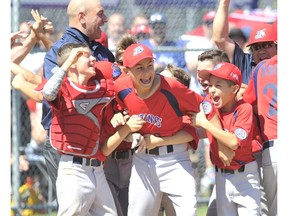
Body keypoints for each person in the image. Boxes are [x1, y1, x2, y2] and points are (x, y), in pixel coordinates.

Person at [113, 43, 208, 216]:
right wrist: (125, 126)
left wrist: (207, 124)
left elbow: (204, 106)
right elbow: (120, 112)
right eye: (139, 68)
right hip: (143, 160)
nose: (147, 72)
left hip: (175, 159)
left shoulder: (172, 87)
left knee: (187, 212)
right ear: (127, 71)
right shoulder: (121, 88)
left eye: (150, 65)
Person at [41, 0, 115, 204]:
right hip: (65, 145)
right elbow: (55, 94)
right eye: (100, 14)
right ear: (82, 17)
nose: (105, 19)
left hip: (97, 143)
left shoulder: (102, 52)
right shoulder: (59, 51)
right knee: (73, 208)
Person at [37, 42, 120, 215]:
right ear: (73, 62)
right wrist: (67, 62)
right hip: (73, 171)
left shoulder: (101, 86)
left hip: (98, 170)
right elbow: (48, 93)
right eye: (86, 56)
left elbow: (123, 84)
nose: (93, 59)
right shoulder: (64, 88)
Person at [191, 62, 261, 215]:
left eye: (218, 85)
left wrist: (205, 124)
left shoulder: (244, 109)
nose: (212, 90)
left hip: (246, 177)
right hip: (221, 177)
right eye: (210, 85)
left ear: (234, 89)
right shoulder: (210, 106)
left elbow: (233, 142)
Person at [212, 0, 277, 85]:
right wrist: (224, 2)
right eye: (256, 47)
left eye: (266, 45)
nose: (261, 51)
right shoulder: (246, 63)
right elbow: (220, 39)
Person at [243, 55, 278, 216]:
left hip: (274, 146)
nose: (261, 50)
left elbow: (250, 103)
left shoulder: (261, 67)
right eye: (256, 47)